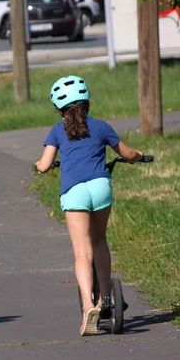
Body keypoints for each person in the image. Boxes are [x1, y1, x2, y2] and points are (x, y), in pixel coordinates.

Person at [34, 75, 143, 336]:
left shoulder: (57, 131)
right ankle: (106, 298)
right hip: (99, 187)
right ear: (88, 103)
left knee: (82, 252)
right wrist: (137, 156)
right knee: (99, 241)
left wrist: (39, 167)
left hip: (74, 193)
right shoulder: (102, 126)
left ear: (59, 109)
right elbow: (126, 153)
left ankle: (88, 306)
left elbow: (45, 164)